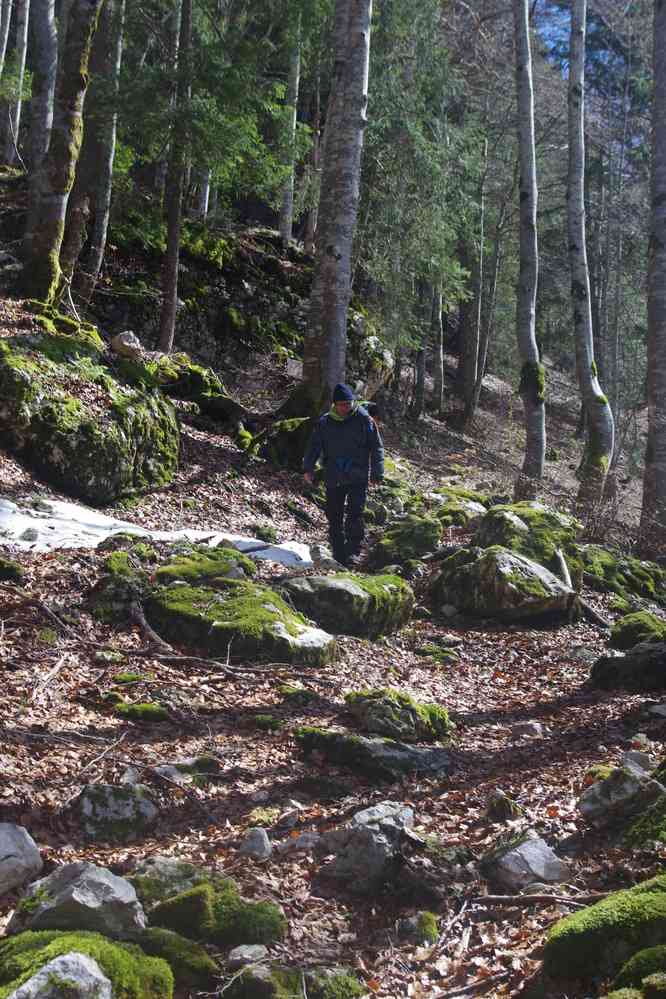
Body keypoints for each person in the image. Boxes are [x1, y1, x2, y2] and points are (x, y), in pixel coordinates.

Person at [303, 383, 384, 567]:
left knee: (355, 512)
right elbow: (314, 447)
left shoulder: (365, 420)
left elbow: (376, 447)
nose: (345, 407)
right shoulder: (324, 422)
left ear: (353, 402)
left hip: (358, 475)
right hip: (333, 474)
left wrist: (377, 473)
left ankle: (354, 552)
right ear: (334, 405)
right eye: (341, 404)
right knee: (334, 515)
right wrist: (308, 468)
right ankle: (338, 553)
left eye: (348, 403)